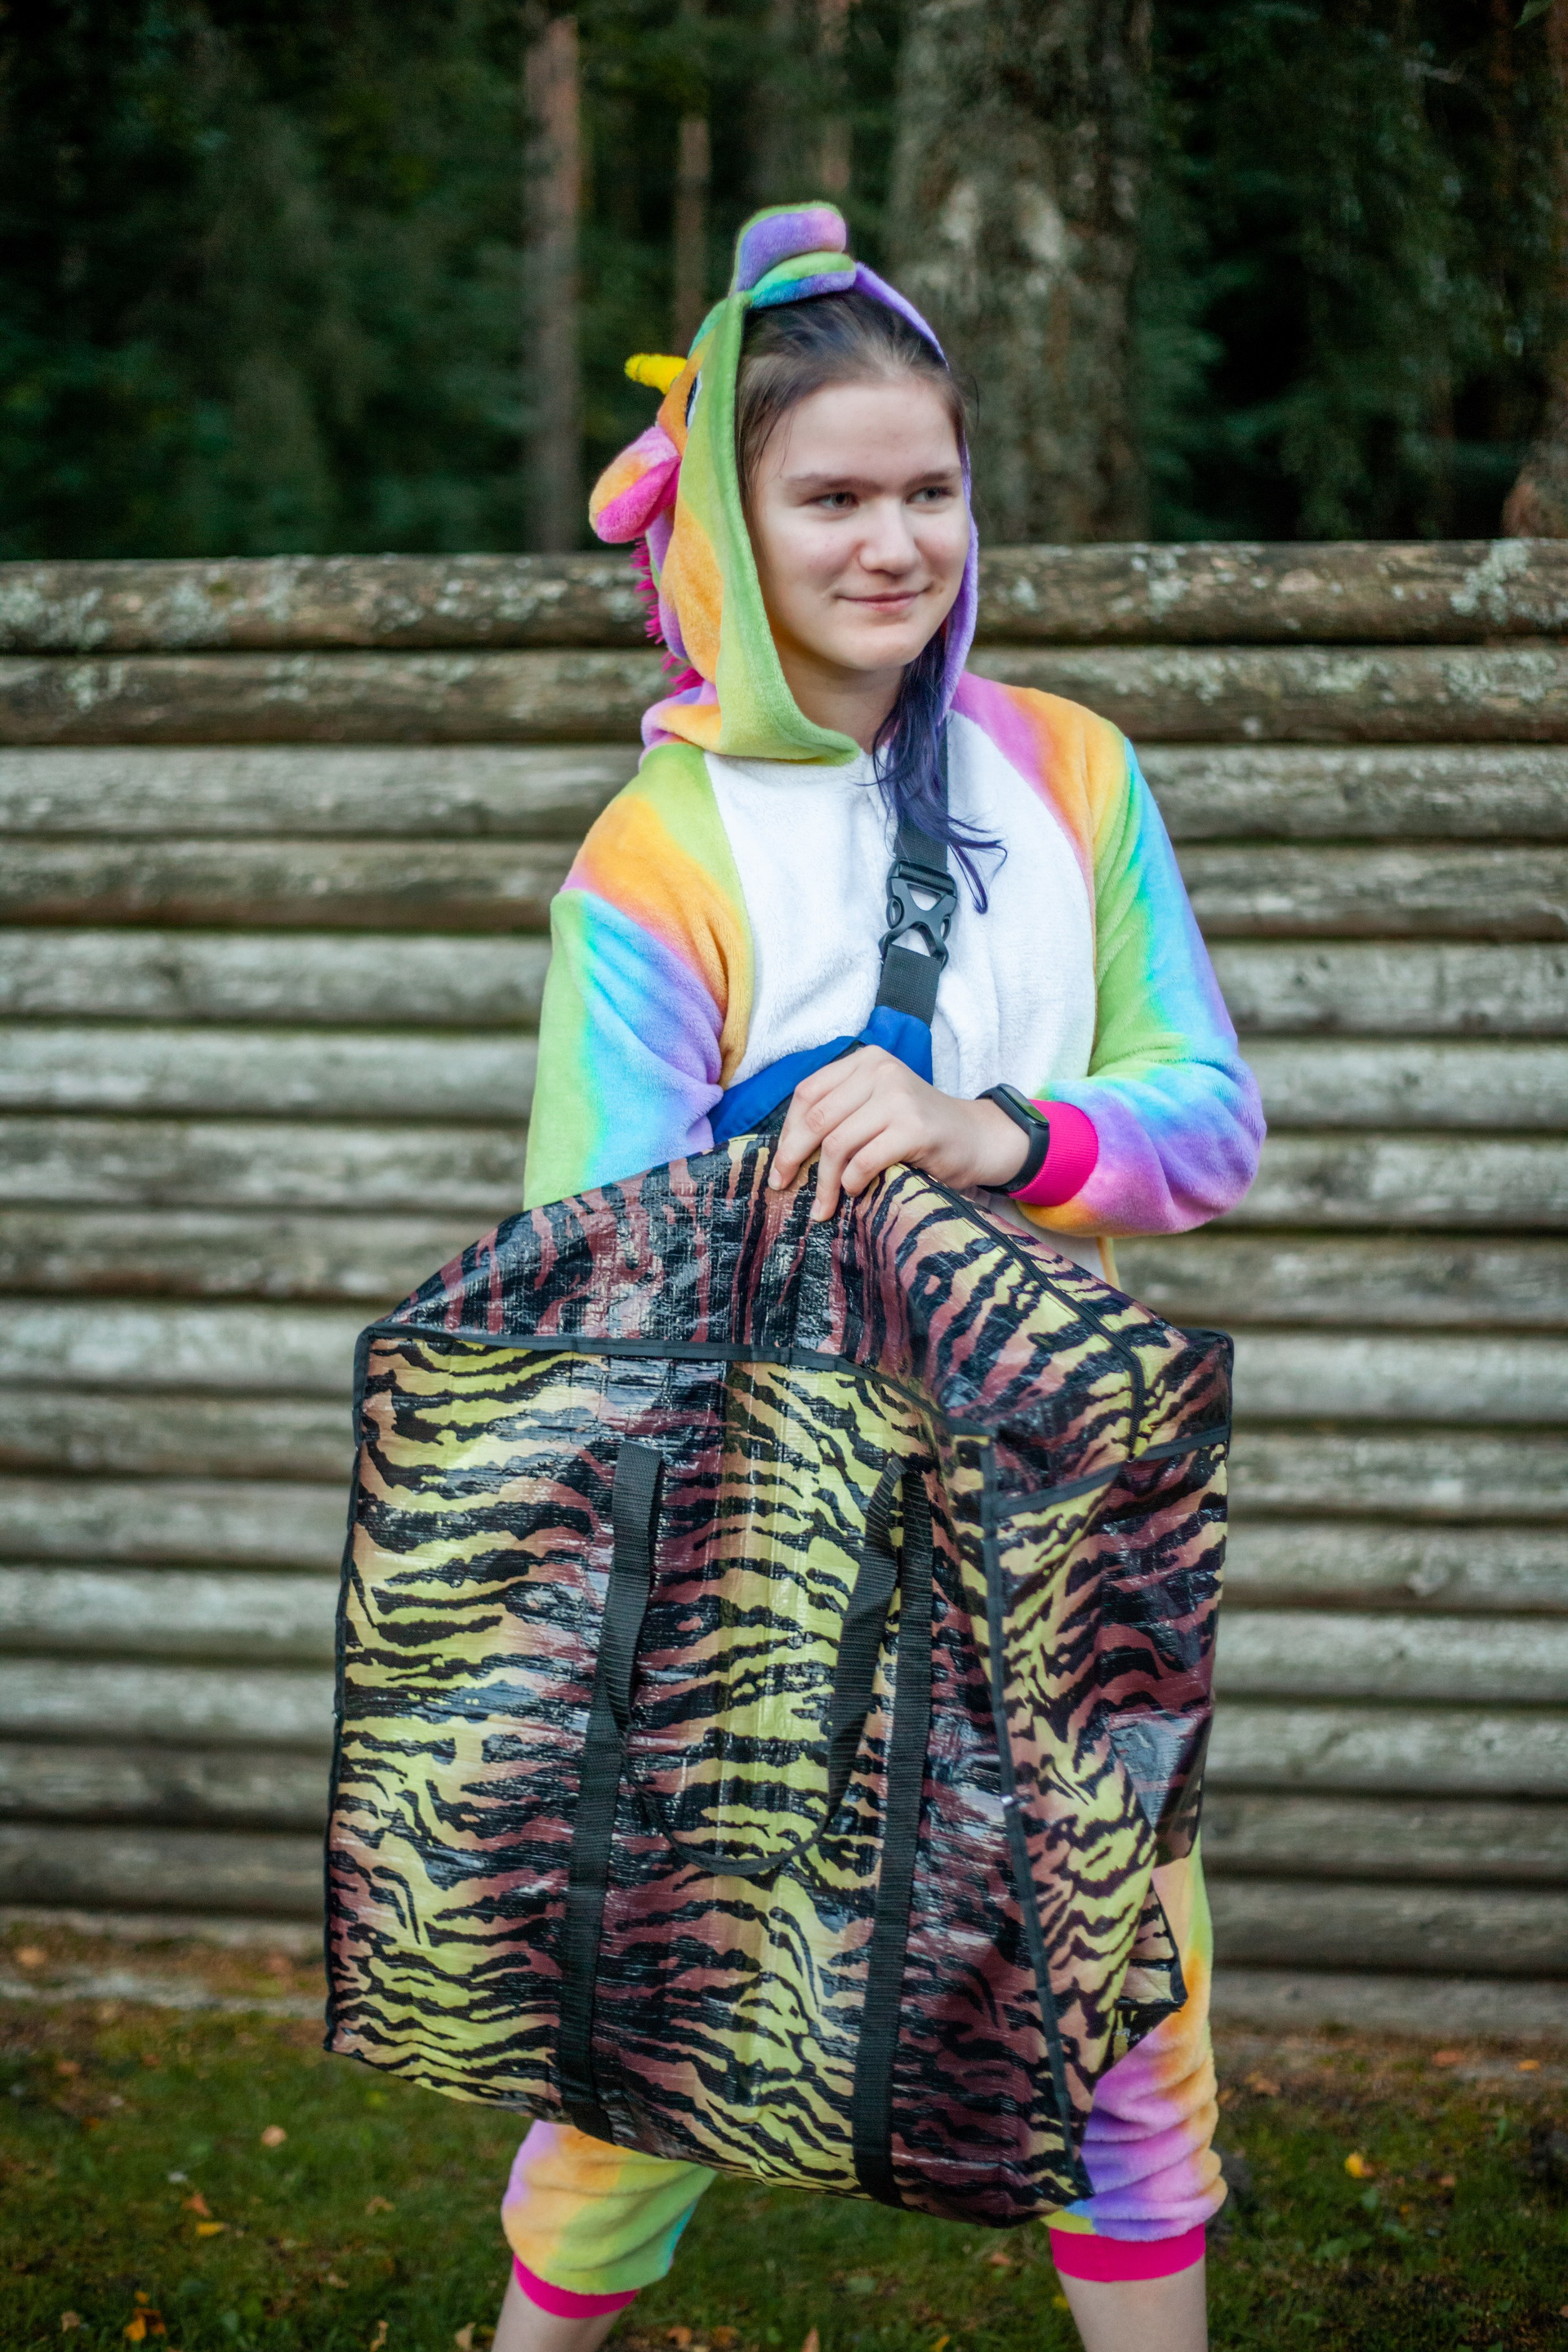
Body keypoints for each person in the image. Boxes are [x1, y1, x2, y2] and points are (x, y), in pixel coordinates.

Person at [496, 204, 1264, 2352]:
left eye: (931, 489)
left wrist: (993, 1133)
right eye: (832, 497)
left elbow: (1208, 1116)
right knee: (651, 2045)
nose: (895, 542)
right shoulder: (656, 859)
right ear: (729, 528)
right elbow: (600, 1260)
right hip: (768, 1543)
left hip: (1052, 1516)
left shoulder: (1074, 770)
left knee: (1127, 2017)